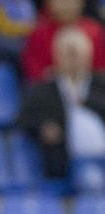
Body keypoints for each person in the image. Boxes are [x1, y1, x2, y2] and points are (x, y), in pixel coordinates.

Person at [18, 27, 105, 182]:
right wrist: (43, 128)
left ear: (88, 55)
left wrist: (84, 102)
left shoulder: (101, 86)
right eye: (67, 54)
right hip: (61, 163)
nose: (72, 60)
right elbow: (23, 120)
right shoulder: (43, 89)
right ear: (56, 55)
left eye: (76, 53)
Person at [22, 0, 105, 82]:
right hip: (49, 91)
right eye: (60, 1)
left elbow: (101, 68)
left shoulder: (95, 32)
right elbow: (34, 70)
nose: (66, 5)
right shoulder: (39, 34)